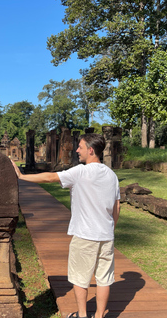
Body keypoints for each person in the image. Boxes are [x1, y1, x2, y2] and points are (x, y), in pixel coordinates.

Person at [12, 133, 120, 318]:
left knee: (80, 277)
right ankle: (100, 316)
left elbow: (49, 178)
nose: (77, 150)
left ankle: (83, 315)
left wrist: (22, 176)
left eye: (80, 147)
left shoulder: (80, 172)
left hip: (85, 235)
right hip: (106, 236)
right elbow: (116, 206)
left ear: (91, 150)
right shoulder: (112, 175)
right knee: (104, 279)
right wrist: (110, 228)